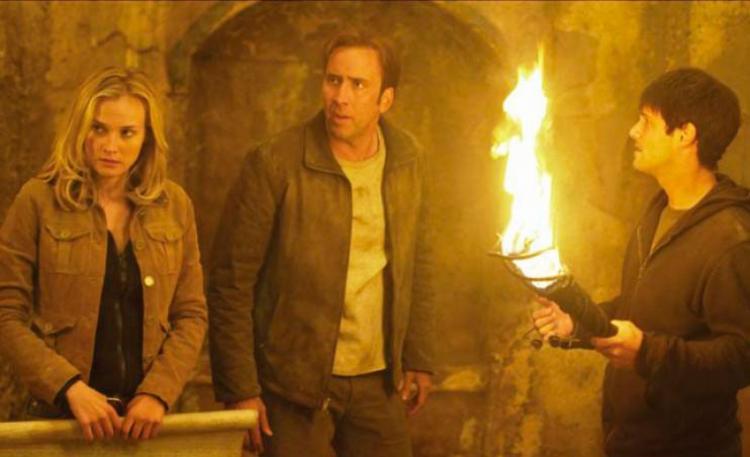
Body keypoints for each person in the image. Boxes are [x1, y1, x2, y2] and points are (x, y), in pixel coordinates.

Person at [208, 30, 434, 456]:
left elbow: (419, 264)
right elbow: (230, 283)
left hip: (378, 381)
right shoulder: (275, 162)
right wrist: (241, 389)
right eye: (333, 80)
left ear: (386, 99)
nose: (340, 97)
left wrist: (419, 357)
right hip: (291, 384)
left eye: (358, 84)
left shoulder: (407, 158)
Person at [534, 67, 750, 457]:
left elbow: (741, 356)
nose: (634, 132)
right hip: (630, 440)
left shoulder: (730, 239)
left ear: (684, 135)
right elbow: (642, 309)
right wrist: (577, 323)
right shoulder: (657, 211)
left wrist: (648, 352)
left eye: (646, 122)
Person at [0, 67, 208, 441]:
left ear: (146, 138)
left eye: (127, 133)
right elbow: (6, 312)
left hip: (145, 424)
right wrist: (68, 387)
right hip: (60, 419)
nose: (111, 146)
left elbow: (191, 314)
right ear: (80, 129)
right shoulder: (39, 201)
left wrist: (157, 393)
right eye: (99, 129)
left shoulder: (174, 205)